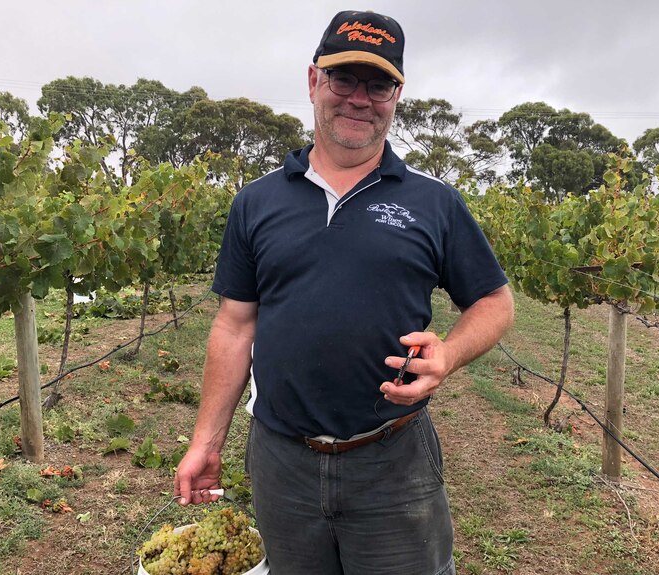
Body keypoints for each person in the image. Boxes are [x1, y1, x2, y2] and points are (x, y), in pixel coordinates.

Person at [174, 9, 514, 575]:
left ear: (396, 94)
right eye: (343, 79)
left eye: (378, 83)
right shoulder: (256, 203)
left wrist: (448, 355)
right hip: (282, 462)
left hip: (394, 460)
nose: (359, 98)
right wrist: (207, 441)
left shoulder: (434, 203)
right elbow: (235, 326)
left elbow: (495, 302)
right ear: (314, 82)